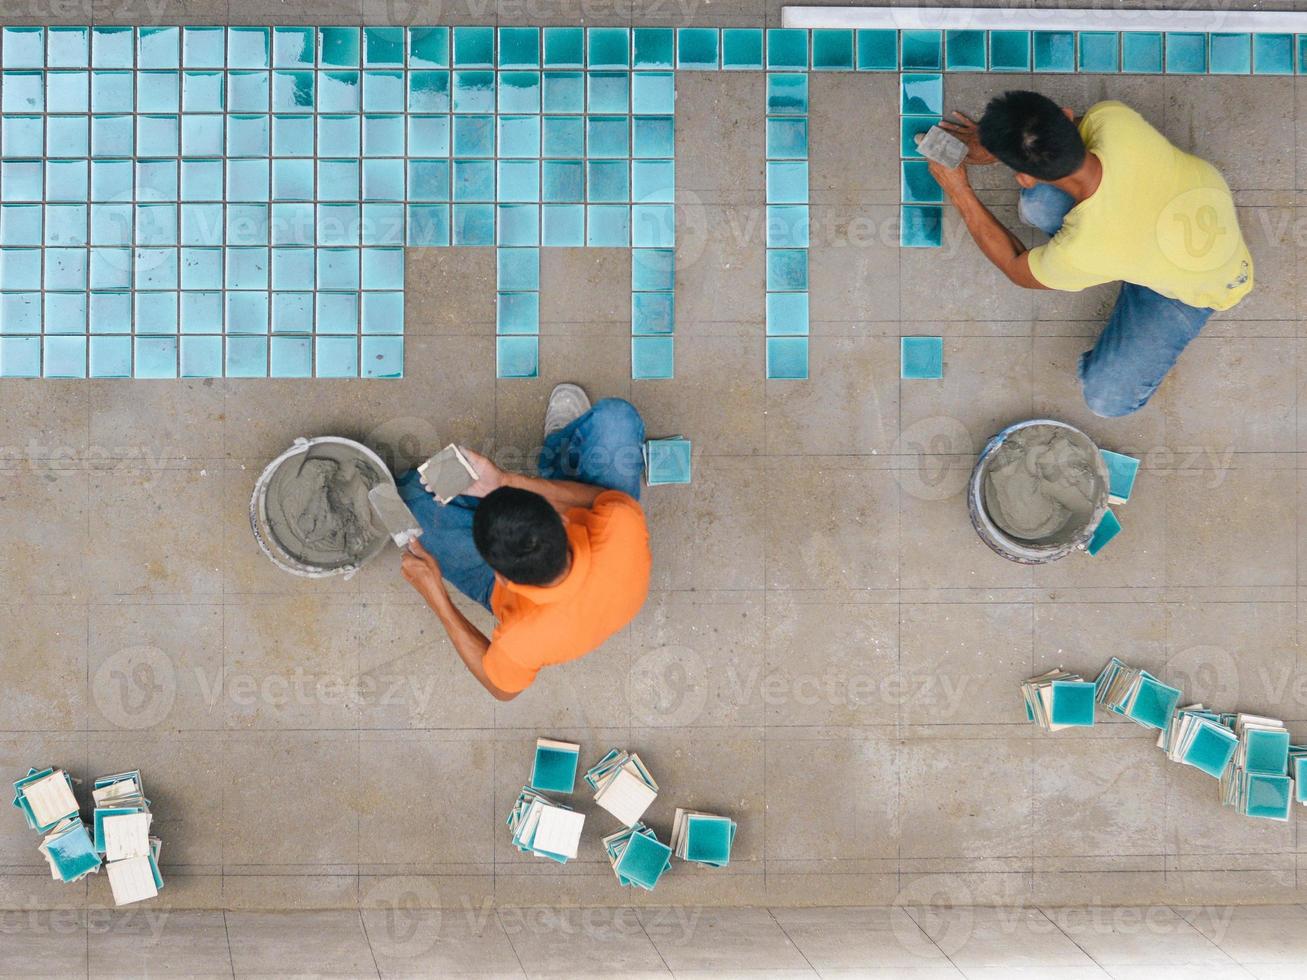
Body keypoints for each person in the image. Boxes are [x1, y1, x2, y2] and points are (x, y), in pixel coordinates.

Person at [928, 91, 1254, 417]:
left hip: (1203, 287)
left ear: (1023, 175)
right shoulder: (1112, 119)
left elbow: (1016, 268)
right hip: (1187, 227)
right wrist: (994, 140)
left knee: (1107, 400)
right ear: (1067, 115)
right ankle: (1134, 265)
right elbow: (1056, 141)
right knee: (1038, 203)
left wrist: (959, 190)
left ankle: (1137, 277)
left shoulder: (1083, 251)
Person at [396, 385, 651, 701]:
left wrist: (435, 595)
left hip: (533, 613)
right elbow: (602, 499)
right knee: (618, 419)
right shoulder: (620, 524)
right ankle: (560, 453)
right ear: (561, 519)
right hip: (605, 566)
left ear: (500, 575)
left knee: (408, 496)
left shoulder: (522, 638)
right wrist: (504, 481)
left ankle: (560, 460)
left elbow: (501, 689)